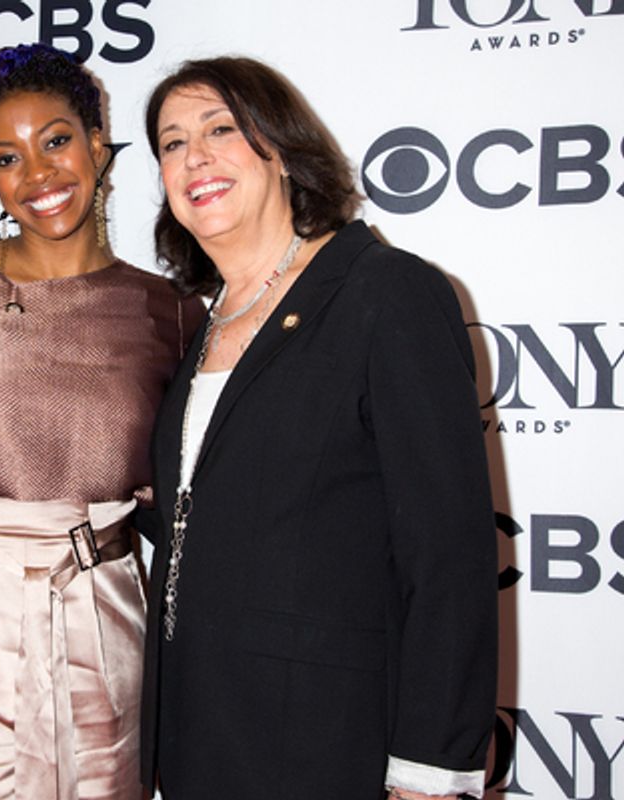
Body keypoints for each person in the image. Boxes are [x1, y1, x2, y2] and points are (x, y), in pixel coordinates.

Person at [138, 57, 498, 799]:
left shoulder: (385, 294)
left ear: (281, 147)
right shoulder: (207, 325)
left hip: (324, 745)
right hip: (197, 733)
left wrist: (431, 770)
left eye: (220, 129)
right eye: (171, 144)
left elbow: (448, 556)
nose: (193, 156)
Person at [0, 43, 204, 800]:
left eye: (56, 140)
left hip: (102, 607)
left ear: (98, 142)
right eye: (6, 158)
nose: (38, 176)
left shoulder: (174, 311)